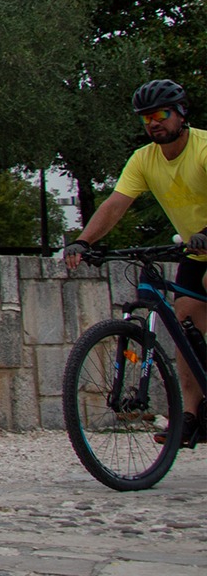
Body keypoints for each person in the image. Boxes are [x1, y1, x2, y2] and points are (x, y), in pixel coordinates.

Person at [63, 78, 207, 447]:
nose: (153, 122)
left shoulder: (204, 148)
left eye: (160, 114)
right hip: (195, 251)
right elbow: (115, 204)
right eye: (146, 118)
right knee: (185, 322)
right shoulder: (144, 159)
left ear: (180, 114)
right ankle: (191, 416)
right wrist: (84, 240)